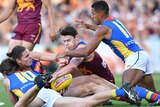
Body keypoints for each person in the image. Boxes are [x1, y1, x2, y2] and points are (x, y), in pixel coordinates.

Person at [55, 0, 157, 94]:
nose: (92, 16)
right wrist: (88, 26)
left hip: (134, 57)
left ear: (100, 14)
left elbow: (86, 51)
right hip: (142, 55)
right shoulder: (113, 20)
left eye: (93, 14)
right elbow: (104, 29)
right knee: (153, 94)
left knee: (124, 91)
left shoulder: (103, 29)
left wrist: (66, 53)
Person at [0, 46, 138, 107]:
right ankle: (123, 94)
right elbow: (20, 101)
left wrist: (60, 60)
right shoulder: (17, 74)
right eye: (27, 56)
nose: (31, 56)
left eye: (30, 53)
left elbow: (54, 57)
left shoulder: (32, 57)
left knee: (93, 78)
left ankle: (126, 95)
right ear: (18, 62)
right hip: (52, 90)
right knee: (89, 87)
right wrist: (53, 82)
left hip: (54, 87)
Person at [50, 25, 116, 96]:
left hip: (106, 81)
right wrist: (52, 78)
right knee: (66, 78)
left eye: (68, 40)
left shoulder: (82, 48)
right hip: (92, 81)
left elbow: (73, 66)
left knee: (85, 76)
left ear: (77, 38)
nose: (66, 43)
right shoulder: (69, 51)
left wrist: (56, 75)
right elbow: (62, 69)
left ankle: (123, 94)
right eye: (64, 41)